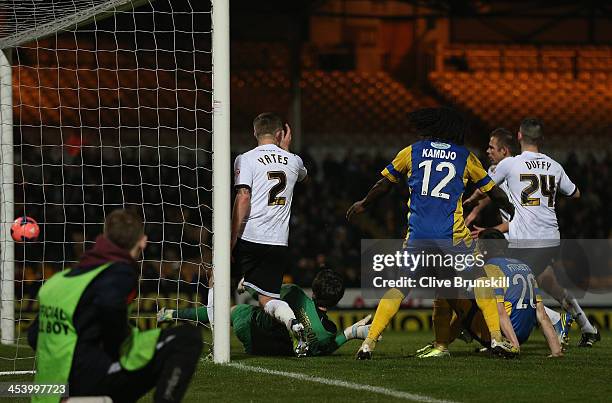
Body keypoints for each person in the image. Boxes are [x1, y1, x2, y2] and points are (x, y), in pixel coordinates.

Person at [346, 107, 517, 359]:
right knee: (480, 281)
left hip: (419, 236)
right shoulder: (465, 157)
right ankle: (496, 339)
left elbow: (385, 184)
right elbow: (492, 191)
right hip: (453, 237)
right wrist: (511, 208)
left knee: (401, 287)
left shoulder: (412, 151)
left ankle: (369, 343)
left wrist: (363, 203)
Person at [28, 209, 202, 403]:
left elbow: (34, 336)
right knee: (188, 337)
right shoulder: (119, 271)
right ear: (143, 241)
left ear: (104, 238)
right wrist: (115, 345)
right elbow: (109, 305)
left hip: (49, 389)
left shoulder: (58, 281)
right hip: (87, 380)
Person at [464, 118, 600, 347]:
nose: (487, 151)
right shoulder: (554, 166)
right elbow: (575, 193)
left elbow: (485, 190)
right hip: (549, 239)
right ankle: (587, 327)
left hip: (524, 239)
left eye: (491, 147)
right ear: (541, 139)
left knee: (499, 283)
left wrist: (471, 204)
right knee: (549, 283)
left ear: (518, 138)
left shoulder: (509, 165)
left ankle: (554, 320)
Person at [416, 229, 563, 358]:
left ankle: (441, 345)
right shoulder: (525, 267)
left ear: (484, 248)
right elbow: (542, 315)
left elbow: (499, 311)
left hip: (507, 335)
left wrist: (513, 345)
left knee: (449, 291)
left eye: (479, 246)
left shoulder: (491, 269)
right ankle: (449, 340)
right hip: (523, 334)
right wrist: (556, 351)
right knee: (472, 298)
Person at [232, 112, 309, 356]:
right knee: (267, 300)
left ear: (254, 132)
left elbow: (243, 196)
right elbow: (302, 175)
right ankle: (292, 322)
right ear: (279, 134)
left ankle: (217, 344)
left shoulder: (245, 159)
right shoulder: (294, 161)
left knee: (217, 283)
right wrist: (285, 150)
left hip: (248, 236)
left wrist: (231, 238)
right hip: (277, 242)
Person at [158, 269, 372, 356]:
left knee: (226, 311)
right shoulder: (328, 331)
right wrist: (352, 333)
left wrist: (245, 285)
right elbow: (326, 349)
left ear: (314, 290)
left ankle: (170, 314)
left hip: (249, 325)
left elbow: (263, 297)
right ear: (337, 300)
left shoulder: (295, 293)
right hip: (269, 350)